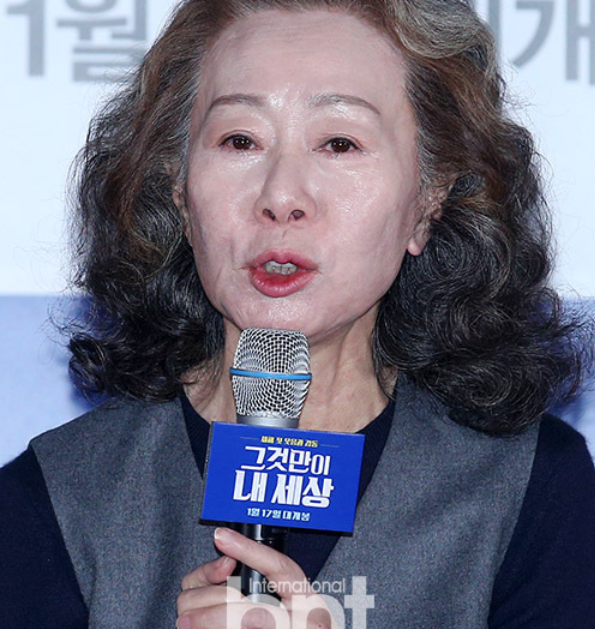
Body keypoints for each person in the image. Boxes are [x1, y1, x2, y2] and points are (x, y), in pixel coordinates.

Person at [1, 0, 594, 627]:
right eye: (240, 140)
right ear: (178, 192)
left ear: (427, 200)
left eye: (339, 143)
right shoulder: (58, 497)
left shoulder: (529, 487)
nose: (282, 196)